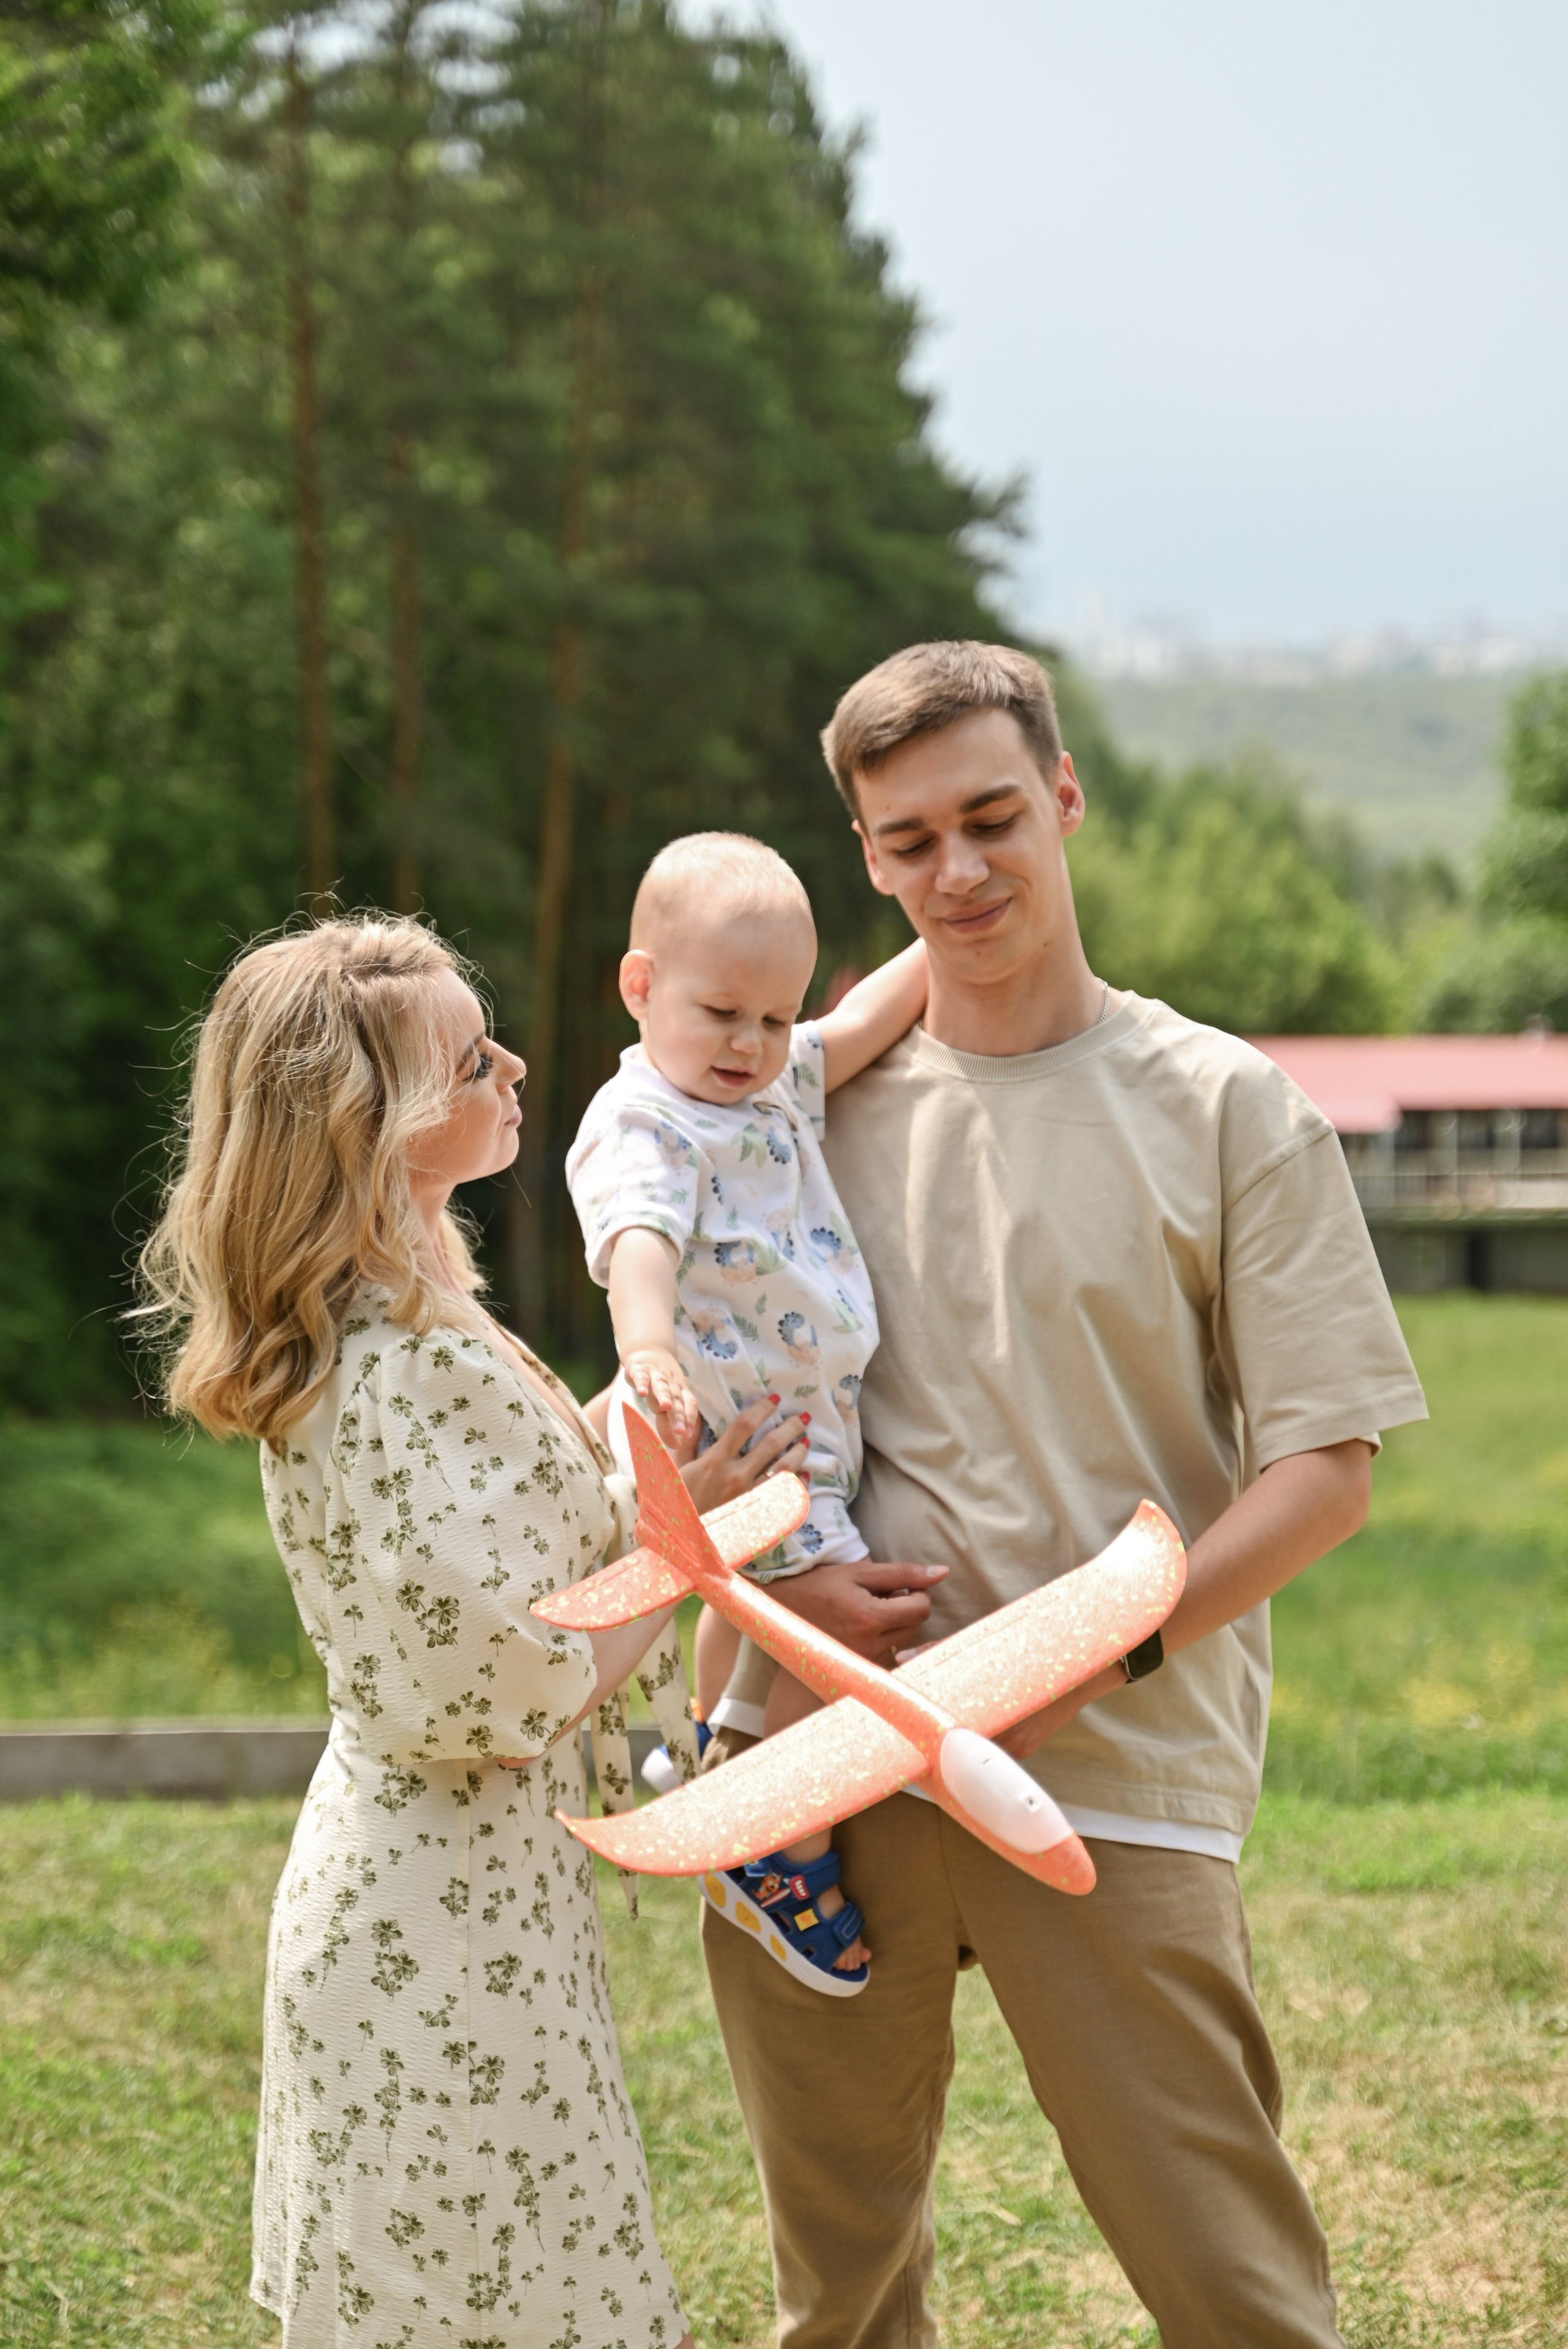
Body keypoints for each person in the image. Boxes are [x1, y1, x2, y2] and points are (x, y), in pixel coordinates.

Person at [698, 642, 1429, 2349]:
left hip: (1111, 1776)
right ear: (866, 857)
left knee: (1237, 2290)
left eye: (991, 818)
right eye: (904, 840)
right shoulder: (793, 1118)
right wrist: (760, 1591)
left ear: (1068, 798)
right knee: (840, 2306)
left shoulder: (1228, 1106)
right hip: (814, 1760)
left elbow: (1326, 1474)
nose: (955, 870)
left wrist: (1095, 1653)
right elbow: (705, 1408)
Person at [137, 915, 784, 2349]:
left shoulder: (416, 1311)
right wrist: (679, 1567)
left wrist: (651, 1491)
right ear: (369, 1121)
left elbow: (511, 1567)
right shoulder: (395, 1361)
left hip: (473, 1902)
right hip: (433, 1933)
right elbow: (503, 1682)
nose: (513, 1066)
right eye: (469, 1056)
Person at [565, 832, 928, 1993]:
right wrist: (648, 1348)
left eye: (775, 1020)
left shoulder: (775, 1081)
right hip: (739, 1442)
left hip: (801, 1442)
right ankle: (781, 1847)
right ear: (640, 986)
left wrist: (946, 932)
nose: (750, 1046)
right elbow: (639, 1247)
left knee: (756, 1617)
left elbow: (862, 1020)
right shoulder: (651, 1126)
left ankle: (717, 1761)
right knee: (843, 1632)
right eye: (722, 1012)